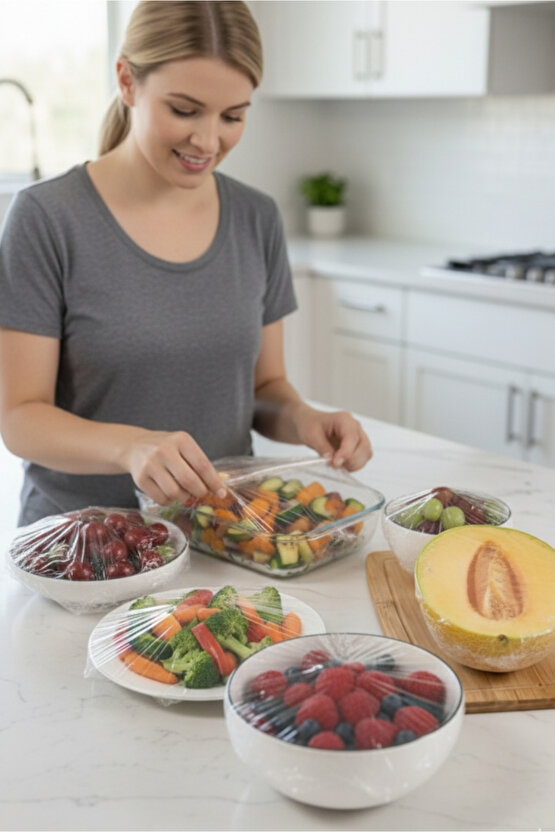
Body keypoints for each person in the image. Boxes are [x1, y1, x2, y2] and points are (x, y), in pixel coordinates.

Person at [0, 0, 372, 527]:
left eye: (233, 116)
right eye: (184, 110)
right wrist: (130, 448)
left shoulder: (256, 217)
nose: (208, 140)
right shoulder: (47, 218)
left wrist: (305, 418)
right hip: (85, 549)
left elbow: (265, 390)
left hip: (222, 536)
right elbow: (20, 419)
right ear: (127, 81)